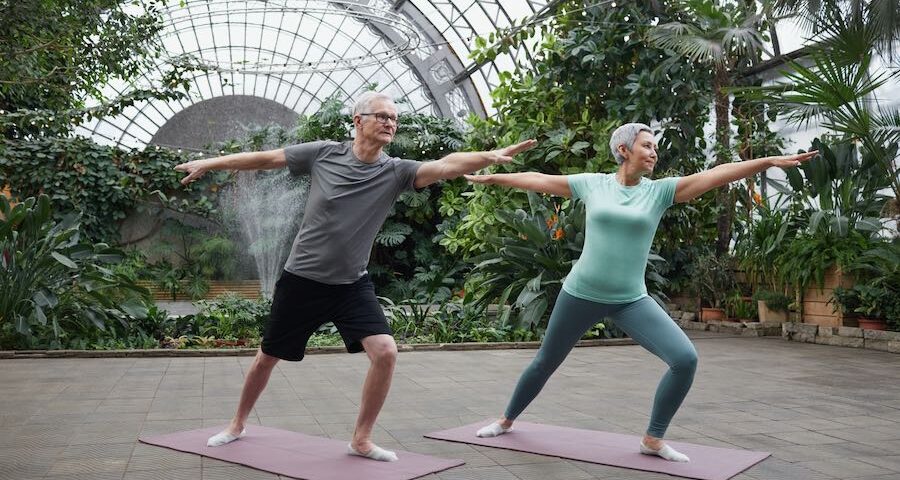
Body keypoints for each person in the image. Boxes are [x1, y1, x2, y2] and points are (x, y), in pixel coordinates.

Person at [174, 91, 536, 462]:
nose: (390, 123)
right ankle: (236, 424)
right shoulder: (324, 153)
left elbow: (445, 165)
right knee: (267, 356)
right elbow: (267, 159)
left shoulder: (396, 171)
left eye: (394, 119)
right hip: (302, 280)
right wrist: (211, 163)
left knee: (385, 352)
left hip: (351, 284)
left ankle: (361, 439)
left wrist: (490, 156)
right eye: (382, 116)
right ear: (358, 120)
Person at [466, 123, 816, 462]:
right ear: (623, 150)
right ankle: (506, 420)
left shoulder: (660, 191)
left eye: (655, 147)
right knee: (545, 362)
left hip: (630, 299)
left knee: (685, 359)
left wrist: (767, 161)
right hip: (580, 293)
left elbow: (716, 174)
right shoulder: (593, 185)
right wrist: (494, 176)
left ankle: (653, 438)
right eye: (647, 146)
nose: (654, 153)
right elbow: (540, 180)